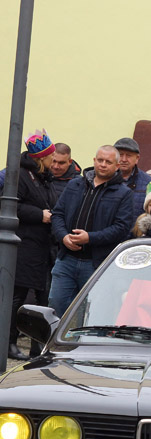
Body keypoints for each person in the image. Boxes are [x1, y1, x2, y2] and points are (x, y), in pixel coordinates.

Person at [48, 145, 138, 316]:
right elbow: (57, 214)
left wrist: (89, 238)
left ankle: (79, 343)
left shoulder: (123, 193)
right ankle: (52, 343)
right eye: (100, 160)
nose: (103, 164)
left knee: (90, 314)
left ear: (117, 166)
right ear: (94, 161)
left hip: (96, 264)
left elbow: (121, 228)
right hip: (66, 259)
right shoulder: (75, 184)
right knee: (55, 306)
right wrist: (63, 236)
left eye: (108, 162)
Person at [9, 130, 57, 359]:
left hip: (40, 248)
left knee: (41, 296)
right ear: (41, 159)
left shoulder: (41, 177)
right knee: (16, 296)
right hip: (24, 246)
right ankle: (8, 343)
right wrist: (40, 215)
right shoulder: (21, 176)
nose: (54, 161)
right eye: (51, 157)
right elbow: (10, 206)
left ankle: (37, 347)